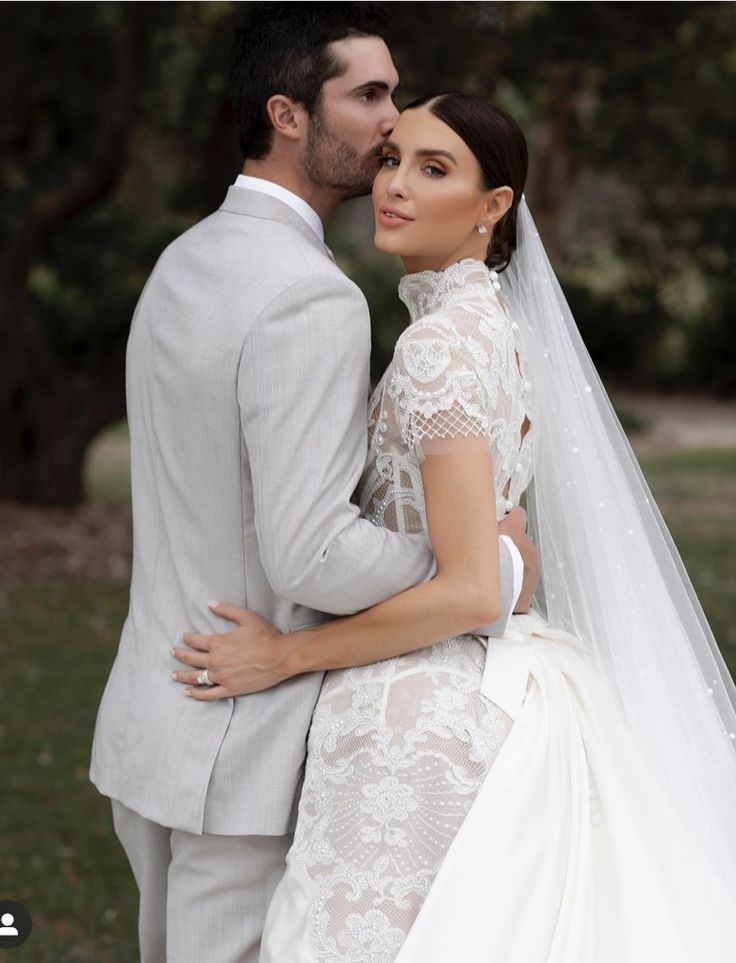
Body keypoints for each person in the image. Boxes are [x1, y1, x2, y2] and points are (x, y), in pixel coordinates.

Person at [173, 95, 736, 961]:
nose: (394, 184)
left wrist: (283, 656)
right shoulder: (497, 333)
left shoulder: (437, 351)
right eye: (393, 159)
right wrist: (505, 562)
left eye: (434, 170)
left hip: (415, 713)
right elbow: (486, 559)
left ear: (494, 206)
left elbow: (470, 587)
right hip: (485, 686)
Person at [88, 7, 536, 963]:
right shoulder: (312, 295)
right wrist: (476, 557)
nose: (391, 123)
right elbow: (313, 552)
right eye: (369, 96)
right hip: (238, 749)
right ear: (288, 114)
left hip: (151, 724)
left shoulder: (185, 258)